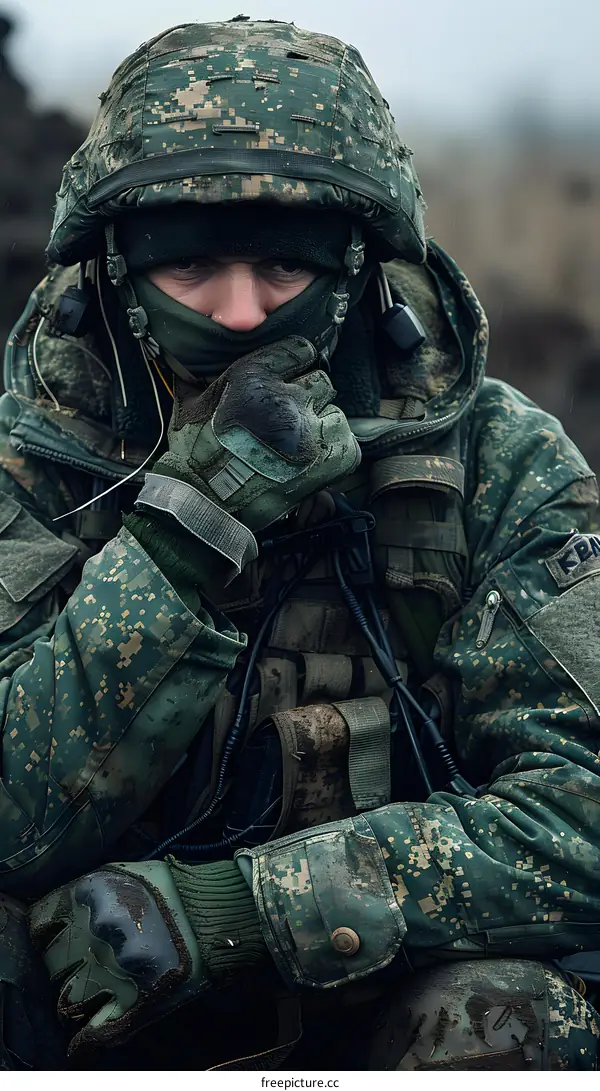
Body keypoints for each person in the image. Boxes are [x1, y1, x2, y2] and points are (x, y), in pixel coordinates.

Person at [0, 16, 598, 1072]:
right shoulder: (30, 471)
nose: (240, 315)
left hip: (381, 996)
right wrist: (187, 533)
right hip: (78, 1004)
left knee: (511, 1017)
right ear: (114, 276)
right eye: (189, 269)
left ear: (360, 264)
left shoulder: (498, 462)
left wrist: (247, 908)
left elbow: (583, 815)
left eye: (285, 265)